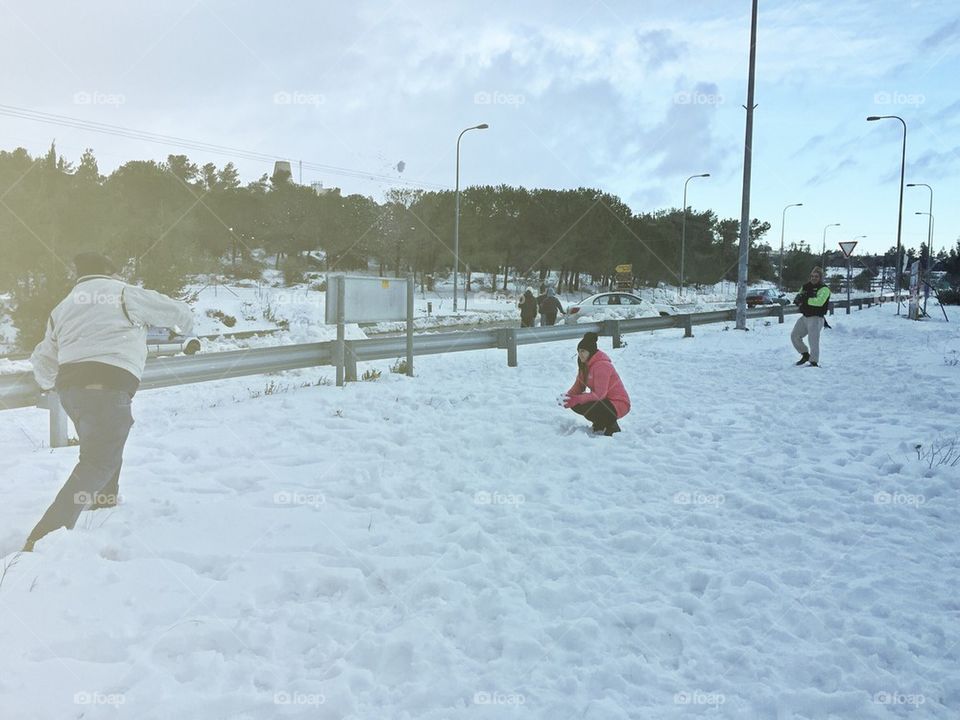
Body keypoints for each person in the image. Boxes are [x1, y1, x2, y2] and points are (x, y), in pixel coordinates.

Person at [24, 253, 194, 551]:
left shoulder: (62, 308)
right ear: (109, 272)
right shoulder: (124, 293)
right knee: (99, 459)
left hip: (71, 393)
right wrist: (179, 328)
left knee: (105, 445)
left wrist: (52, 384)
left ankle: (105, 503)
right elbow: (180, 314)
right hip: (107, 387)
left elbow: (42, 360)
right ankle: (41, 540)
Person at [562, 332, 630, 436]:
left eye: (583, 351)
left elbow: (600, 395)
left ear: (591, 351)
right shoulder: (585, 365)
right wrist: (567, 397)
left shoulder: (602, 365)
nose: (580, 354)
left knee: (586, 405)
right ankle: (600, 423)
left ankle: (611, 424)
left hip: (618, 403)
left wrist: (578, 398)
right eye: (579, 351)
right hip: (604, 402)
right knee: (576, 403)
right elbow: (578, 386)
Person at [791, 266, 831, 367]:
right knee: (794, 336)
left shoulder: (824, 289)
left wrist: (805, 300)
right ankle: (805, 354)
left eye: (816, 276)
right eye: (812, 276)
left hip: (816, 318)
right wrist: (797, 300)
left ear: (820, 277)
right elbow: (799, 296)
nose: (813, 278)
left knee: (813, 340)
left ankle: (814, 361)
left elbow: (819, 302)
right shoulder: (805, 286)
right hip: (805, 317)